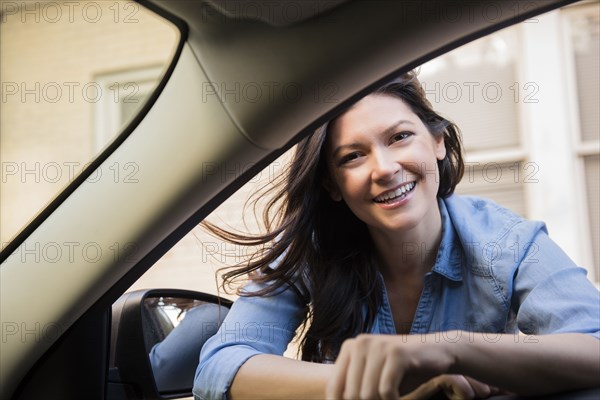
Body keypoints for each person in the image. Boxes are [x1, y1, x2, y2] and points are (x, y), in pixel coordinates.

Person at [192, 71, 600, 400]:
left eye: (399, 137)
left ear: (438, 142)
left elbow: (594, 345)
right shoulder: (312, 251)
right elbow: (220, 367)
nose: (384, 168)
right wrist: (381, 385)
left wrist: (450, 350)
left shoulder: (506, 241)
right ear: (333, 185)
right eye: (353, 156)